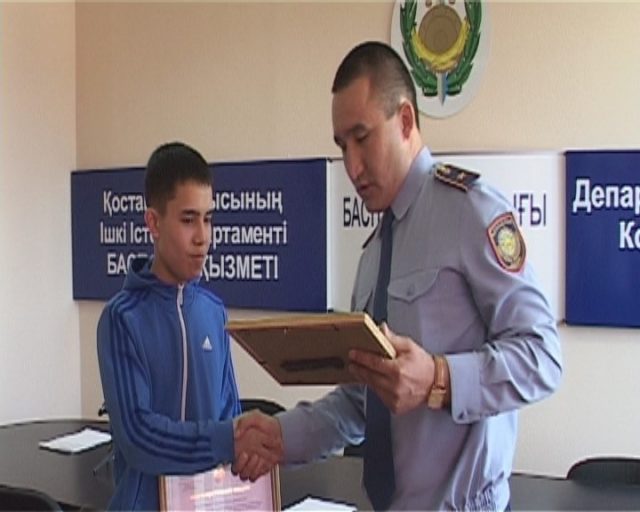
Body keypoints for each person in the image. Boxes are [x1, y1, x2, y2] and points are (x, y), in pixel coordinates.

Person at [234, 41, 563, 510]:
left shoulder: (469, 210)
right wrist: (281, 436)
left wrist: (440, 378)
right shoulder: (373, 254)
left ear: (405, 121)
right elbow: (362, 402)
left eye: (362, 138)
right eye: (342, 146)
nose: (352, 166)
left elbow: (543, 357)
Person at [97, 141, 279, 510]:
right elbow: (139, 437)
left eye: (208, 219)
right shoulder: (122, 318)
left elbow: (229, 415)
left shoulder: (213, 312)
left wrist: (250, 444)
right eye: (188, 219)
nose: (202, 237)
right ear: (153, 223)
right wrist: (228, 440)